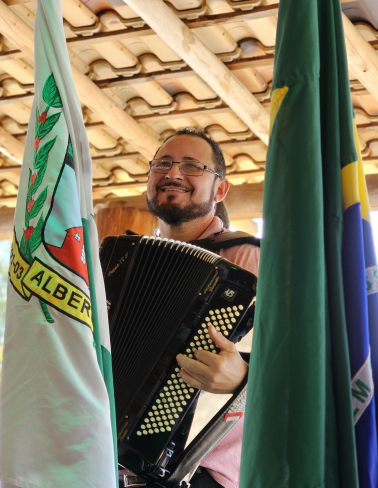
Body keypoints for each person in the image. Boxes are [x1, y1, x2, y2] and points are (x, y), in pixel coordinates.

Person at [145, 126, 259, 488]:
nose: (173, 174)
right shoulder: (124, 261)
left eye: (192, 166)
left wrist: (244, 380)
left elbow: (303, 367)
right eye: (162, 164)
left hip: (204, 475)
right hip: (113, 470)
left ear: (220, 189)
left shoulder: (249, 259)